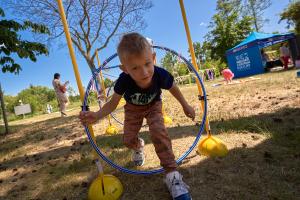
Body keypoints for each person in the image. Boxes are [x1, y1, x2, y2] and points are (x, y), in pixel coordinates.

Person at [79, 33, 195, 200]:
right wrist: (96, 115)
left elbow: (173, 87)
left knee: (158, 133)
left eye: (147, 63)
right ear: (125, 69)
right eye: (135, 68)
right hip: (133, 109)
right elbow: (113, 103)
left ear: (153, 58)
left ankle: (172, 176)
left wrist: (185, 105)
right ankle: (139, 146)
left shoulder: (160, 74)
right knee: (127, 139)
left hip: (154, 106)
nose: (144, 72)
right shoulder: (123, 80)